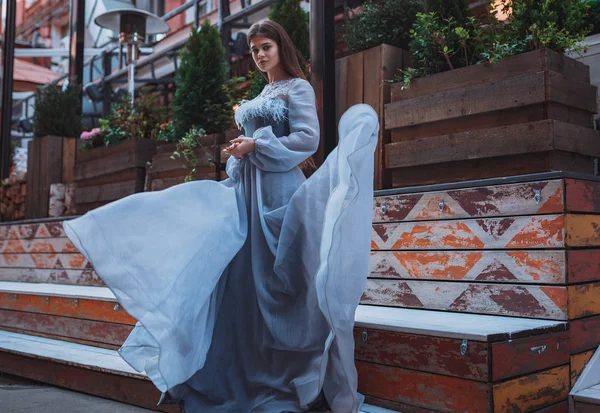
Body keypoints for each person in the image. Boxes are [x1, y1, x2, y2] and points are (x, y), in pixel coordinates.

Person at [63, 18, 379, 413]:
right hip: (247, 193)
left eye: (266, 46)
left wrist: (256, 144)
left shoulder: (297, 88)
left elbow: (307, 139)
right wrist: (239, 151)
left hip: (278, 192)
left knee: (278, 283)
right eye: (254, 50)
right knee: (239, 282)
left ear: (282, 46)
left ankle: (287, 370)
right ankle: (240, 369)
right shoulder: (264, 90)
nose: (260, 55)